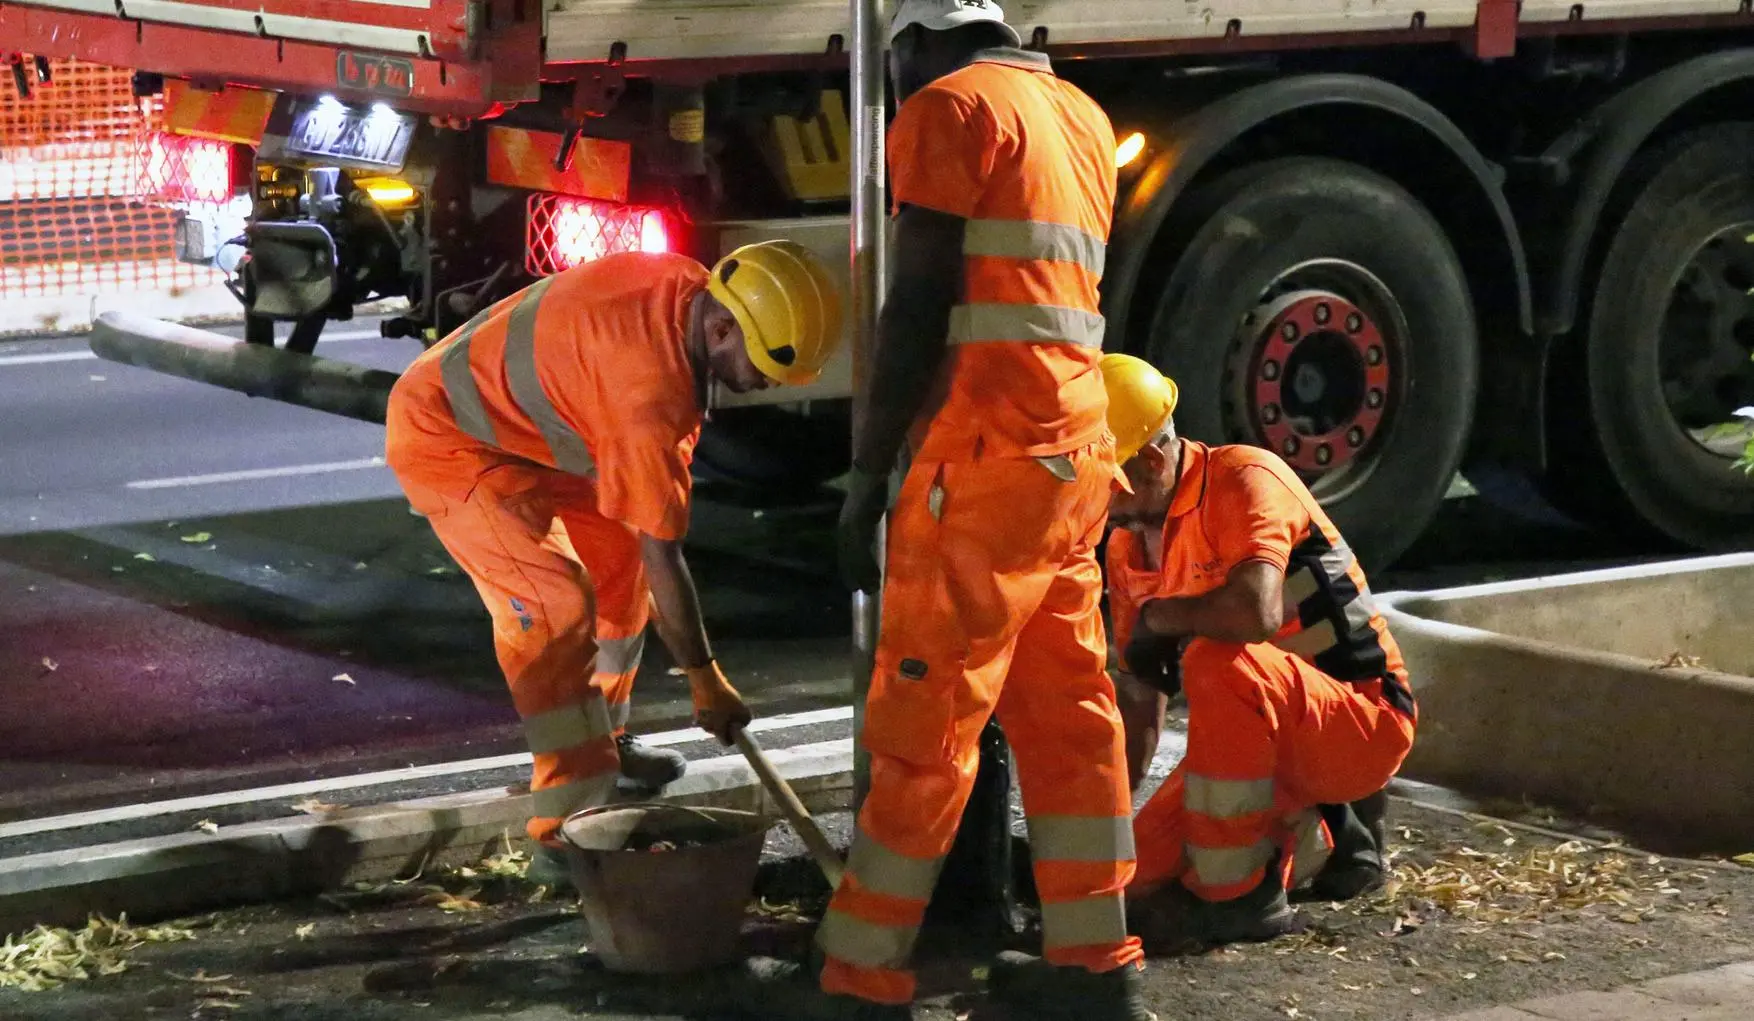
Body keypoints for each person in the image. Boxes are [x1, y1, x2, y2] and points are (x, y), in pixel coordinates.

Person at [820, 2, 1150, 1018]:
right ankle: (1095, 965)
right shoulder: (1078, 113)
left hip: (982, 467)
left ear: (913, 41)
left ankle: (858, 980)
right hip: (1070, 457)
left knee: (926, 731)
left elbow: (916, 302)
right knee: (1070, 724)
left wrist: (867, 472)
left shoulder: (947, 108)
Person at [383, 241, 843, 883]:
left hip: (539, 435)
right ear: (720, 327)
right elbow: (668, 552)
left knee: (620, 563)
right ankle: (565, 825)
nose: (765, 386)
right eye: (762, 365)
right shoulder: (647, 398)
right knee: (555, 607)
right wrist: (704, 678)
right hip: (452, 437)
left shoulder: (687, 285)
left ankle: (610, 743)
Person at [1095, 352, 1419, 950]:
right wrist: (1105, 834)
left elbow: (1255, 613)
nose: (1093, 500)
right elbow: (1141, 700)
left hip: (1363, 721)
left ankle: (1239, 898)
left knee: (1216, 659)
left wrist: (1161, 617)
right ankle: (1327, 834)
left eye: (1103, 480)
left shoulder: (1245, 478)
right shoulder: (1126, 548)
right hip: (1272, 744)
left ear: (1151, 461)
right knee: (1124, 884)